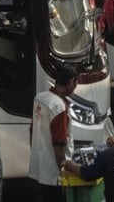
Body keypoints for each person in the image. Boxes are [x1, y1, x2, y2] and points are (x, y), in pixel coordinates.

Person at [29, 65, 79, 202]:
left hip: (39, 168)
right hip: (53, 175)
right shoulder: (59, 106)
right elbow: (59, 143)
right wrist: (63, 169)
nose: (76, 87)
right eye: (76, 83)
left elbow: (32, 130)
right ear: (71, 82)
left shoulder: (40, 98)